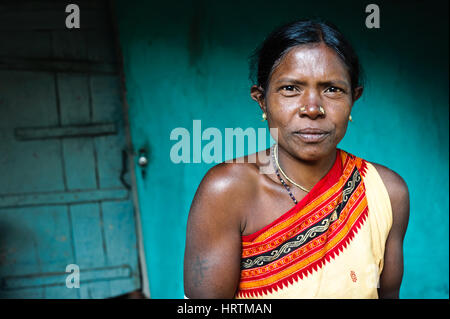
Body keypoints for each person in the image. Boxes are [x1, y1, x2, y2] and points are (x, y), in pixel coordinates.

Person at [183, 19, 409, 299]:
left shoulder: (385, 192)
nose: (312, 109)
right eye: (290, 88)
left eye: (332, 89)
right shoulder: (227, 191)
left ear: (354, 98)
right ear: (262, 100)